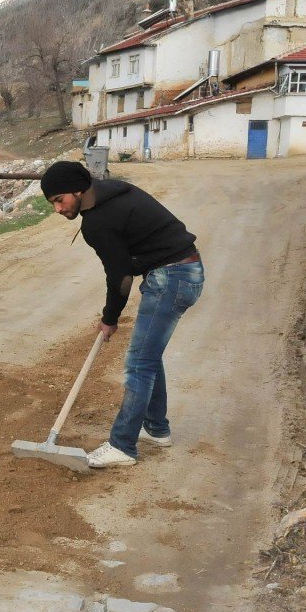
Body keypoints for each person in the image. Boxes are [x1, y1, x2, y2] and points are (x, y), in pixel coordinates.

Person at [41, 161, 204, 469]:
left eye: (59, 200)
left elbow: (120, 277)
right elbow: (128, 264)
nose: (58, 209)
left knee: (140, 362)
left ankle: (123, 446)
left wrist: (110, 318)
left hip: (172, 277)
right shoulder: (111, 192)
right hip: (183, 271)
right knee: (149, 355)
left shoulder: (98, 222)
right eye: (52, 203)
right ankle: (156, 428)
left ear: (77, 190)